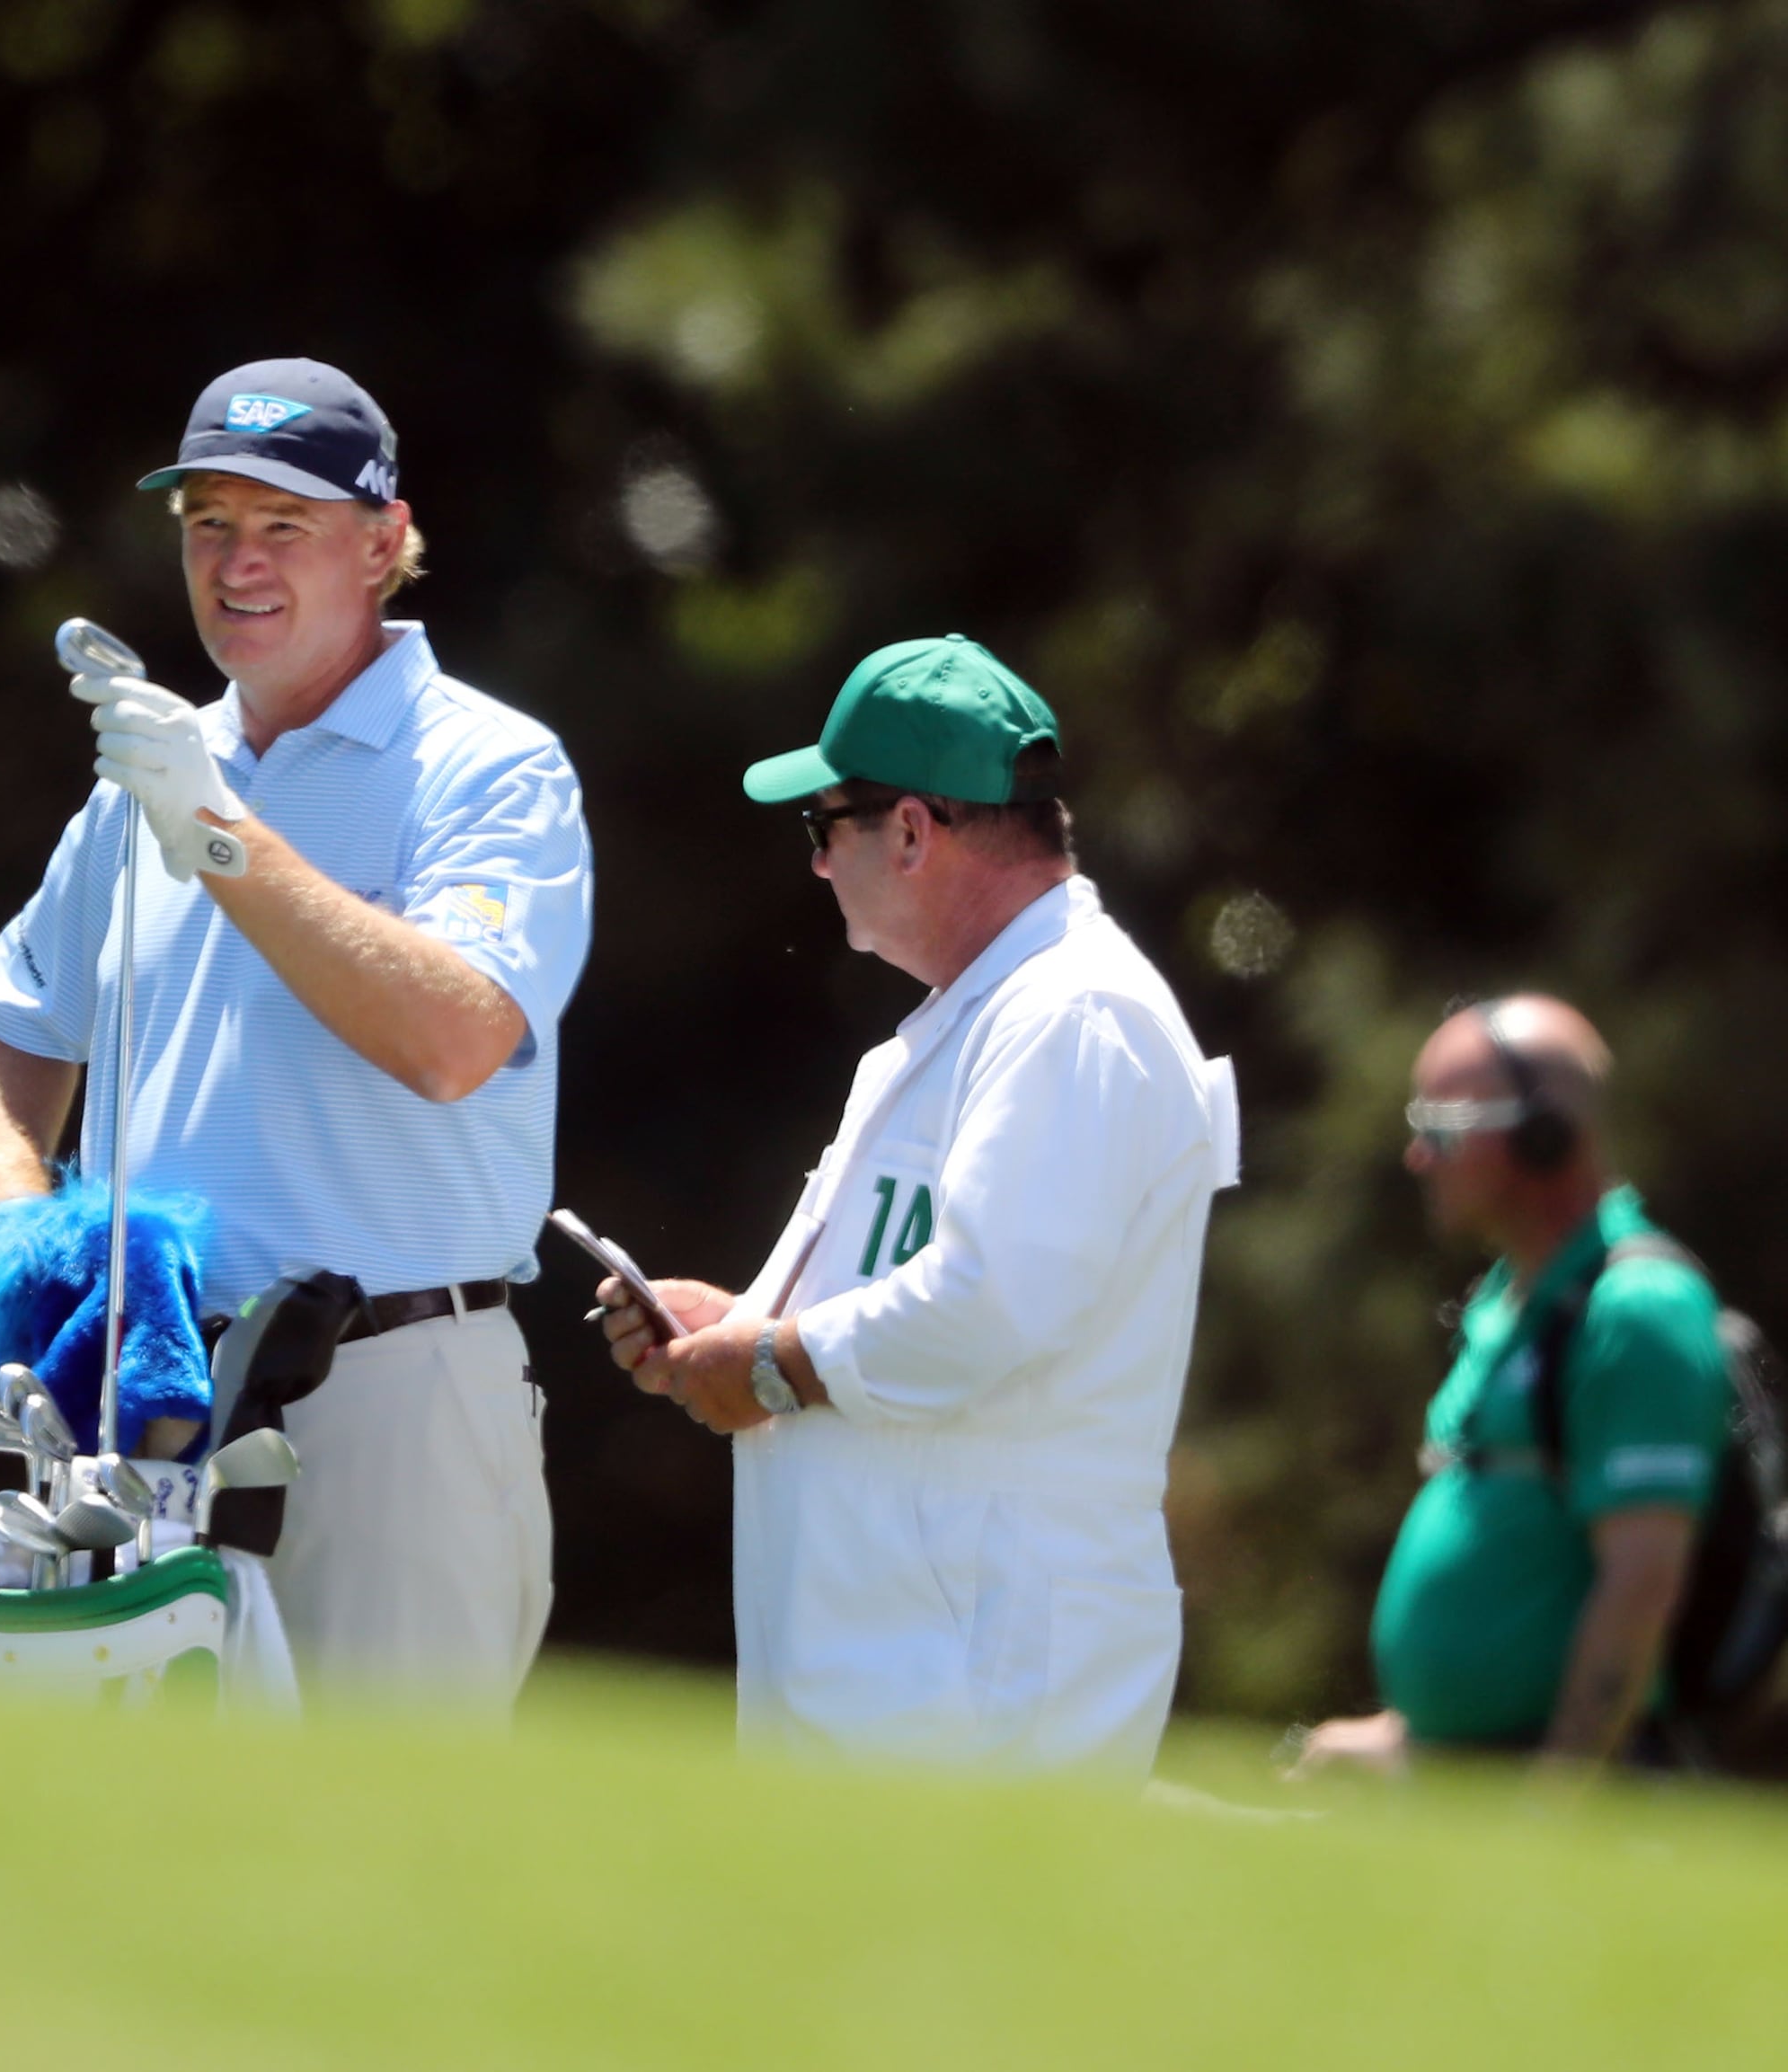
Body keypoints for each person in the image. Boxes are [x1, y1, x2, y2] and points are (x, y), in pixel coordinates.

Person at [0, 358, 592, 1710]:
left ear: (381, 541)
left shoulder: (492, 767)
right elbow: (8, 1019)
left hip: (392, 1402)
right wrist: (12, 1227)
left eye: (282, 525)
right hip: (149, 1415)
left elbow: (453, 1036)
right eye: (209, 525)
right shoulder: (148, 775)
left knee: (387, 1878)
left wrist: (221, 832)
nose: (238, 562)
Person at [598, 635, 1237, 1774]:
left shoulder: (1070, 1014)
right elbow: (899, 1293)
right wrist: (735, 1317)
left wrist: (765, 1363)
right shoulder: (983, 1016)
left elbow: (988, 1302)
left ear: (908, 830)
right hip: (913, 1662)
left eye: (823, 826)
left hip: (985, 1677)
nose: (815, 865)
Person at [1285, 997, 1729, 1777]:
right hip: (1466, 1771)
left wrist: (1551, 1808)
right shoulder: (1508, 1298)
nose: (1418, 1157)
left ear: (1542, 1137)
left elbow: (1642, 1583)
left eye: (1443, 1129)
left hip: (1571, 1793)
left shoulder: (1637, 1307)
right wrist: (1406, 1735)